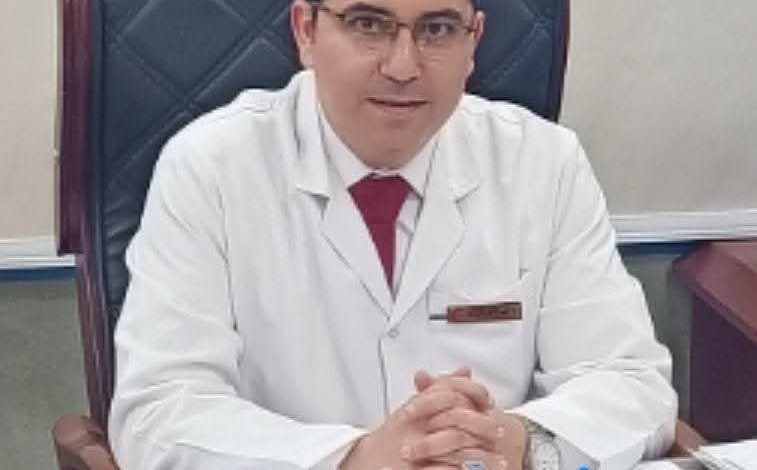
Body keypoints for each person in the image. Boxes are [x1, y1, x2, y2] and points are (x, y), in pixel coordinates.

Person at [108, 0, 677, 469]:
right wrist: (352, 459)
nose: (403, 66)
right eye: (367, 23)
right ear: (306, 31)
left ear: (473, 43)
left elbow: (630, 382)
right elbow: (160, 411)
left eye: (438, 29)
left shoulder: (544, 162)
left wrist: (519, 442)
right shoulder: (211, 167)